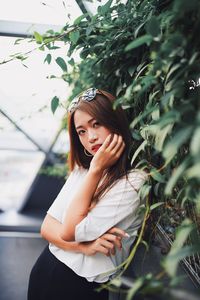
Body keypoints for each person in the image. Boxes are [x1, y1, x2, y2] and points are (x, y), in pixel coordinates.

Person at [28, 87, 147, 300]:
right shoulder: (83, 171)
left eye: (96, 124)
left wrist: (96, 171)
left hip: (80, 287)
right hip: (46, 268)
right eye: (81, 131)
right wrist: (85, 247)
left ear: (115, 121)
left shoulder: (134, 181)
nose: (90, 137)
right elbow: (47, 228)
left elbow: (66, 230)